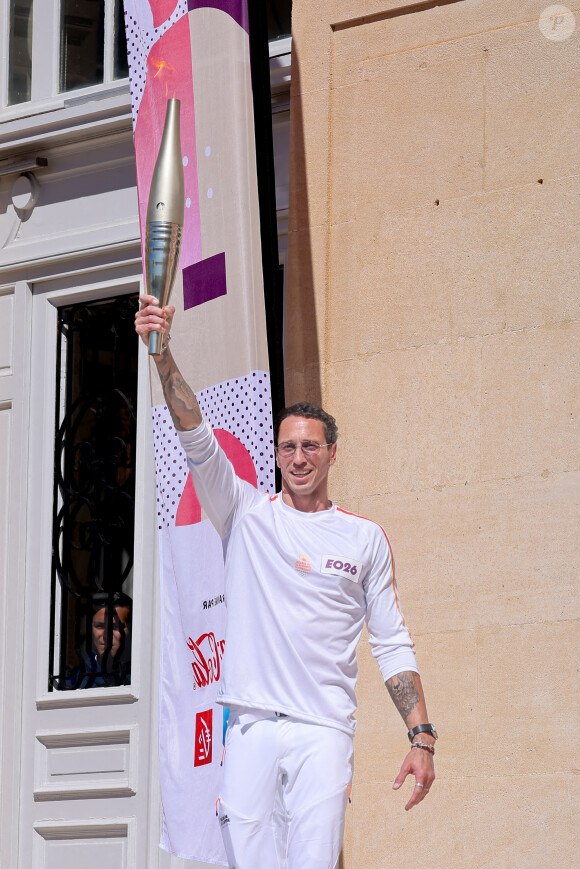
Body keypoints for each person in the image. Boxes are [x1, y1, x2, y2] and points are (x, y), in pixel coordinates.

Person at [136, 296, 436, 869]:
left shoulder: (364, 538)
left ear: (331, 453)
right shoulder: (246, 515)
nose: (298, 458)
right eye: (288, 447)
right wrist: (162, 353)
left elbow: (392, 641)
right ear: (276, 453)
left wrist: (421, 736)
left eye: (310, 446)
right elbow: (196, 436)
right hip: (249, 726)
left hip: (322, 730)